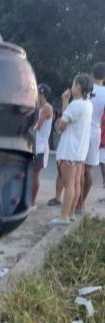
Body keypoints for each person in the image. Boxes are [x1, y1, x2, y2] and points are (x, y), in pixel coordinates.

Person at [51, 74, 95, 226]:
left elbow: (60, 126)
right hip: (80, 151)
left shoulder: (75, 105)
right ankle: (70, 215)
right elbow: (67, 118)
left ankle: (63, 217)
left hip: (69, 150)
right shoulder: (87, 104)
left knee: (69, 184)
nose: (71, 85)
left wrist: (58, 124)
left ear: (78, 87)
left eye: (73, 83)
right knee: (75, 184)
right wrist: (65, 101)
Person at [76, 63, 105, 215]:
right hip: (95, 132)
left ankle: (77, 203)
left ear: (92, 74)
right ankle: (82, 204)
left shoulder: (86, 88)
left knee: (78, 169)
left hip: (81, 130)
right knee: (88, 170)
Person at [33, 84, 55, 206]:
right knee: (29, 173)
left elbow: (37, 125)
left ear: (42, 95)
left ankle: (32, 202)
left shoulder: (47, 108)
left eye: (37, 93)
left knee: (34, 174)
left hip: (39, 148)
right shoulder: (36, 106)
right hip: (32, 147)